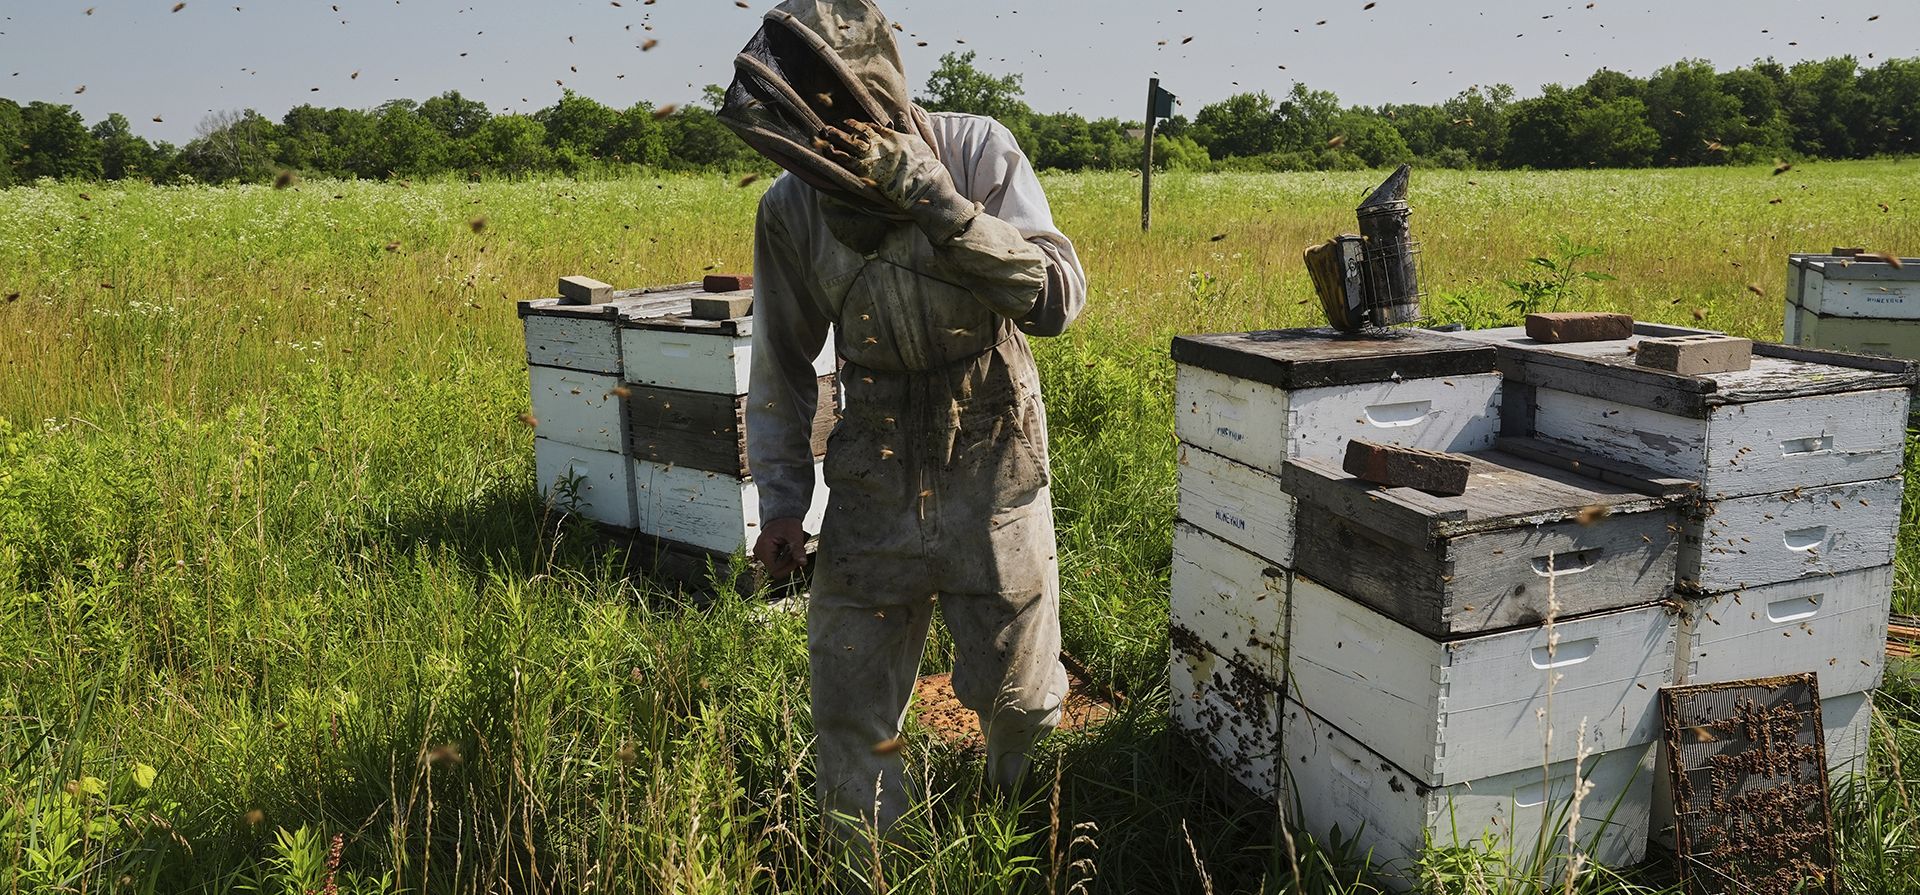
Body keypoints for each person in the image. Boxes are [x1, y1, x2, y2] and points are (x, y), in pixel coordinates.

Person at [717, 0, 1088, 839]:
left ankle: (1019, 837)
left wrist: (940, 203)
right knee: (848, 697)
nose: (825, 129)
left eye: (836, 107)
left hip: (991, 444)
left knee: (1021, 698)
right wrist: (780, 503)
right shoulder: (790, 207)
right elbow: (779, 362)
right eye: (805, 113)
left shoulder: (976, 149)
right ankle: (872, 859)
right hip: (873, 460)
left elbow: (1058, 302)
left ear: (872, 87)